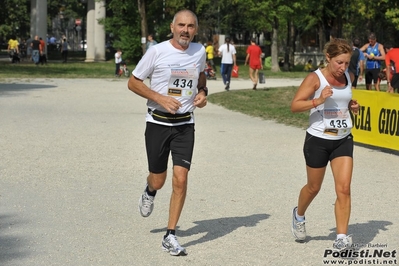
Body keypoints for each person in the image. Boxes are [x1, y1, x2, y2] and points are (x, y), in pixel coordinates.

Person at [127, 9, 207, 256]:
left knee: (181, 179)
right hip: (158, 123)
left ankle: (170, 235)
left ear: (195, 29)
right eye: (181, 25)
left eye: (190, 26)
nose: (186, 30)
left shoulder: (199, 51)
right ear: (172, 27)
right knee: (159, 180)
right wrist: (159, 97)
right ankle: (150, 190)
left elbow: (201, 77)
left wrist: (203, 93)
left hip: (185, 125)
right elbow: (133, 82)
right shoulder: (157, 51)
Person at [290, 38, 360, 251]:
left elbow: (343, 99)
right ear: (328, 58)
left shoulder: (350, 76)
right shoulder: (315, 78)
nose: (343, 67)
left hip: (343, 139)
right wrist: (318, 100)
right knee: (313, 188)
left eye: (347, 63)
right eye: (339, 62)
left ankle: (341, 237)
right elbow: (295, 106)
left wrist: (351, 105)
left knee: (344, 188)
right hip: (318, 140)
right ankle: (299, 215)